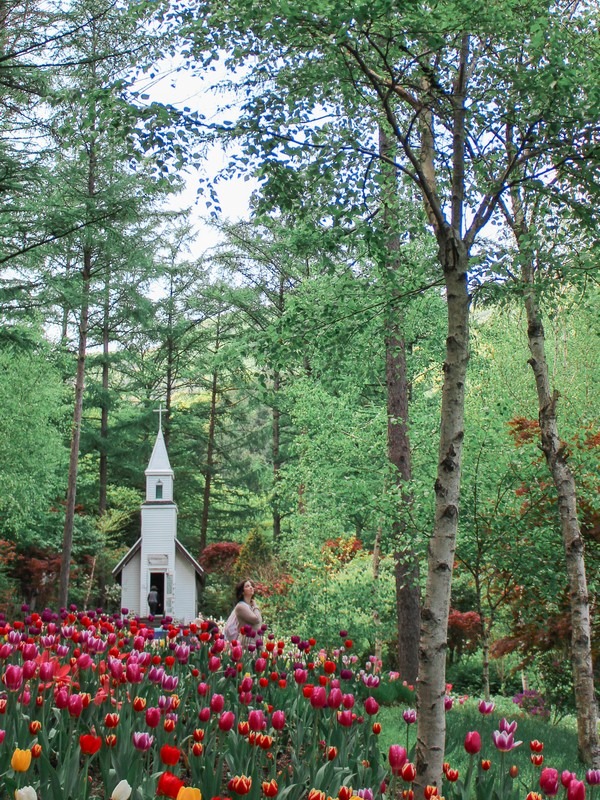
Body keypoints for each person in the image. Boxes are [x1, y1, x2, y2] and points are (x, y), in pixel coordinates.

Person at [224, 578, 262, 644]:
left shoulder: (251, 606)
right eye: (247, 586)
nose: (251, 587)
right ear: (242, 592)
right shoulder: (240, 607)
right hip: (247, 643)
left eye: (251, 586)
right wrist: (255, 605)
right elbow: (256, 619)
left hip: (255, 643)